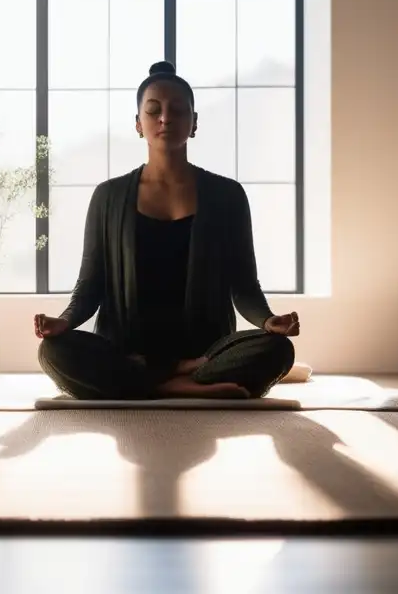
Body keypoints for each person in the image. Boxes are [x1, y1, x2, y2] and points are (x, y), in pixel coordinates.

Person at [33, 61, 301, 400]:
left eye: (177, 110)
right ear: (138, 124)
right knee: (53, 352)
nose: (165, 118)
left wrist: (268, 321)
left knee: (278, 350)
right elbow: (89, 286)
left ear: (194, 123)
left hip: (205, 350)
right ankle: (176, 381)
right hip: (128, 350)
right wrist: (64, 322)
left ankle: (156, 380)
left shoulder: (228, 195)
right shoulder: (109, 196)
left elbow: (244, 286)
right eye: (153, 110)